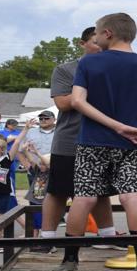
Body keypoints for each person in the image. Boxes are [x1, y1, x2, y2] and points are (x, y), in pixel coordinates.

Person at [58, 11, 137, 271]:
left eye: (96, 33)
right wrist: (124, 120)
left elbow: (78, 102)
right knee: (131, 196)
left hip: (92, 141)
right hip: (131, 142)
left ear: (108, 33)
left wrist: (112, 124)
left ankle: (70, 261)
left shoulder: (89, 63)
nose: (94, 38)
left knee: (84, 197)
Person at [41, 26, 119, 253]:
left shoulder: (115, 70)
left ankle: (106, 236)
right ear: (82, 43)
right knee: (58, 191)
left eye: (104, 42)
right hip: (70, 141)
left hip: (103, 140)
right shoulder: (66, 69)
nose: (101, 46)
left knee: (101, 191)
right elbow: (64, 103)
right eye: (95, 42)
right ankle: (47, 239)